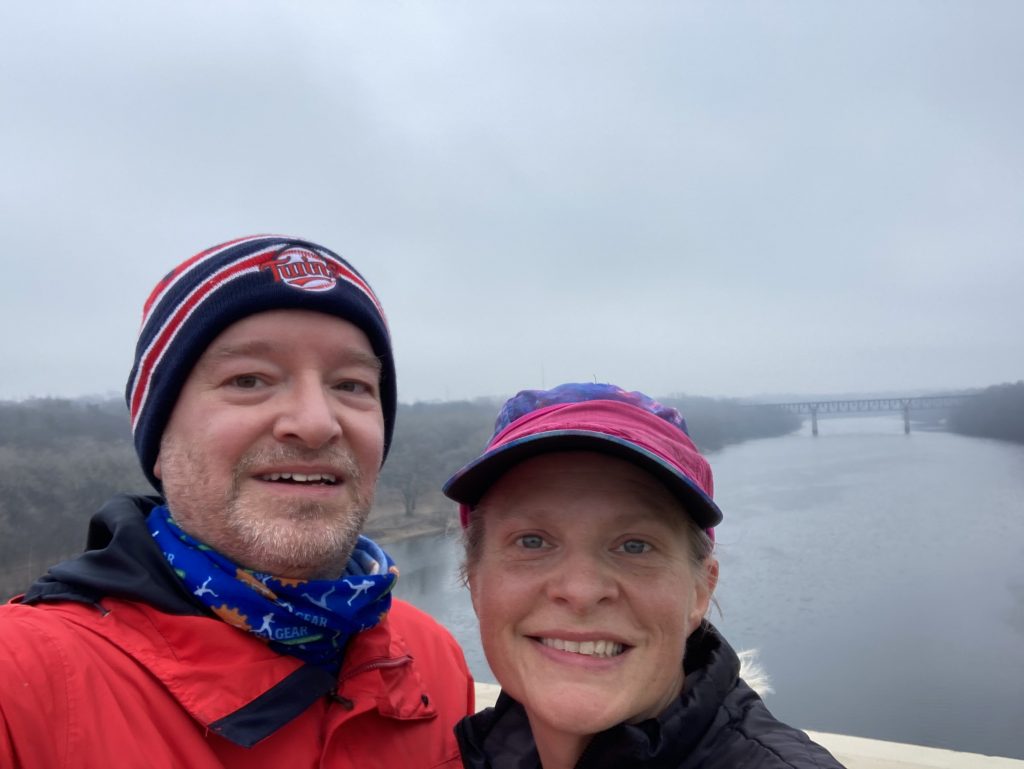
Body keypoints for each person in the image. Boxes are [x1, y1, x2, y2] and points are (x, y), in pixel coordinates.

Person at [0, 235, 473, 768]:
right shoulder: (21, 683)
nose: (317, 422)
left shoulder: (428, 653)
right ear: (159, 443)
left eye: (352, 384)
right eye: (249, 379)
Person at [443, 383, 844, 769]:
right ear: (474, 581)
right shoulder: (477, 752)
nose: (581, 591)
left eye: (634, 546)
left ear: (701, 590)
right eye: (531, 541)